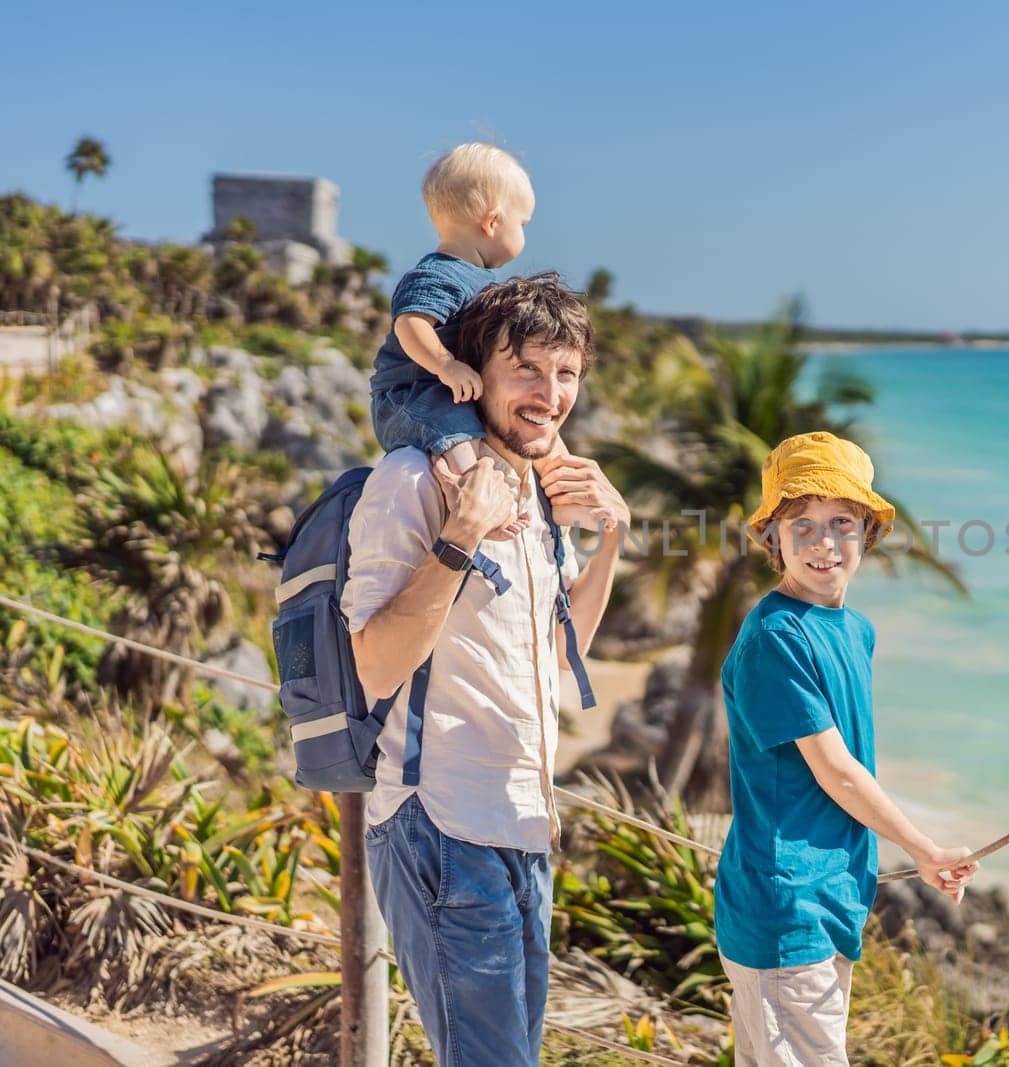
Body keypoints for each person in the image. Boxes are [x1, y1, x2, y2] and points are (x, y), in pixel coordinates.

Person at [343, 273, 628, 1065]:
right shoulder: (410, 481)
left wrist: (612, 537)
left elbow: (562, 650)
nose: (550, 394)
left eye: (565, 372)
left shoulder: (536, 491)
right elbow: (374, 663)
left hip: (524, 825)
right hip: (440, 821)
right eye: (527, 370)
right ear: (475, 371)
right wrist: (459, 537)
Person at [715, 430, 978, 1066]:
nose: (823, 543)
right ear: (773, 537)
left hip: (832, 893)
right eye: (800, 524)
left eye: (841, 522)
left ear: (868, 534)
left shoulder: (853, 629)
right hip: (786, 902)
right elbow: (839, 774)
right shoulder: (777, 637)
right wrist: (924, 849)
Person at [368, 142, 538, 537]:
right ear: (493, 222)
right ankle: (472, 507)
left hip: (444, 391)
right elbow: (410, 325)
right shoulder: (439, 275)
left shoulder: (478, 278)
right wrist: (446, 364)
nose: (524, 234)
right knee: (458, 438)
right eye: (523, 224)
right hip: (413, 396)